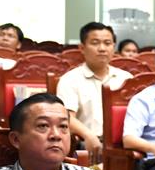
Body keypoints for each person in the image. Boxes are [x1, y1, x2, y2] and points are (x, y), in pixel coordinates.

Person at [56, 22, 133, 155]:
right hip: (88, 143)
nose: (102, 48)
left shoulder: (126, 78)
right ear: (82, 48)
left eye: (107, 43)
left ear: (114, 47)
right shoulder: (70, 80)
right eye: (95, 43)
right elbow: (66, 117)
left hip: (124, 145)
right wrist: (88, 135)